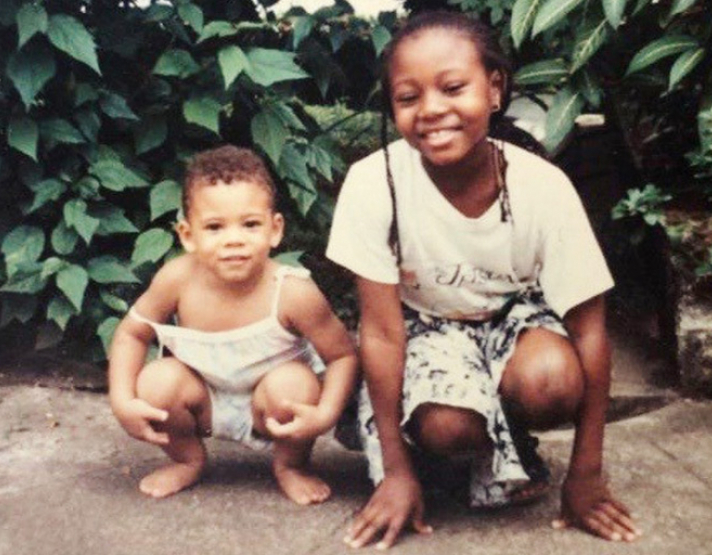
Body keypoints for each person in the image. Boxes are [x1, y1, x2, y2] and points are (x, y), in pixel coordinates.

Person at [325, 10, 640, 549]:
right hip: (424, 326)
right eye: (408, 97)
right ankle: (437, 445)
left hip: (512, 319)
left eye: (453, 87)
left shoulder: (543, 187)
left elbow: (590, 331)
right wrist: (396, 473)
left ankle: (514, 437)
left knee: (552, 380)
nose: (432, 110)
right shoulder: (372, 183)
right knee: (449, 427)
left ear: (494, 90)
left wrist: (586, 473)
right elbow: (379, 332)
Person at [108, 145, 358, 505]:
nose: (234, 239)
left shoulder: (292, 292)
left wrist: (325, 414)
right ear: (188, 235)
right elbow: (132, 334)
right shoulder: (175, 279)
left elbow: (342, 356)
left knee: (294, 383)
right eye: (214, 227)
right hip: (203, 399)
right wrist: (121, 401)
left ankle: (290, 465)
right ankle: (188, 459)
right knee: (155, 381)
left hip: (272, 405)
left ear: (275, 230)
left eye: (250, 224)